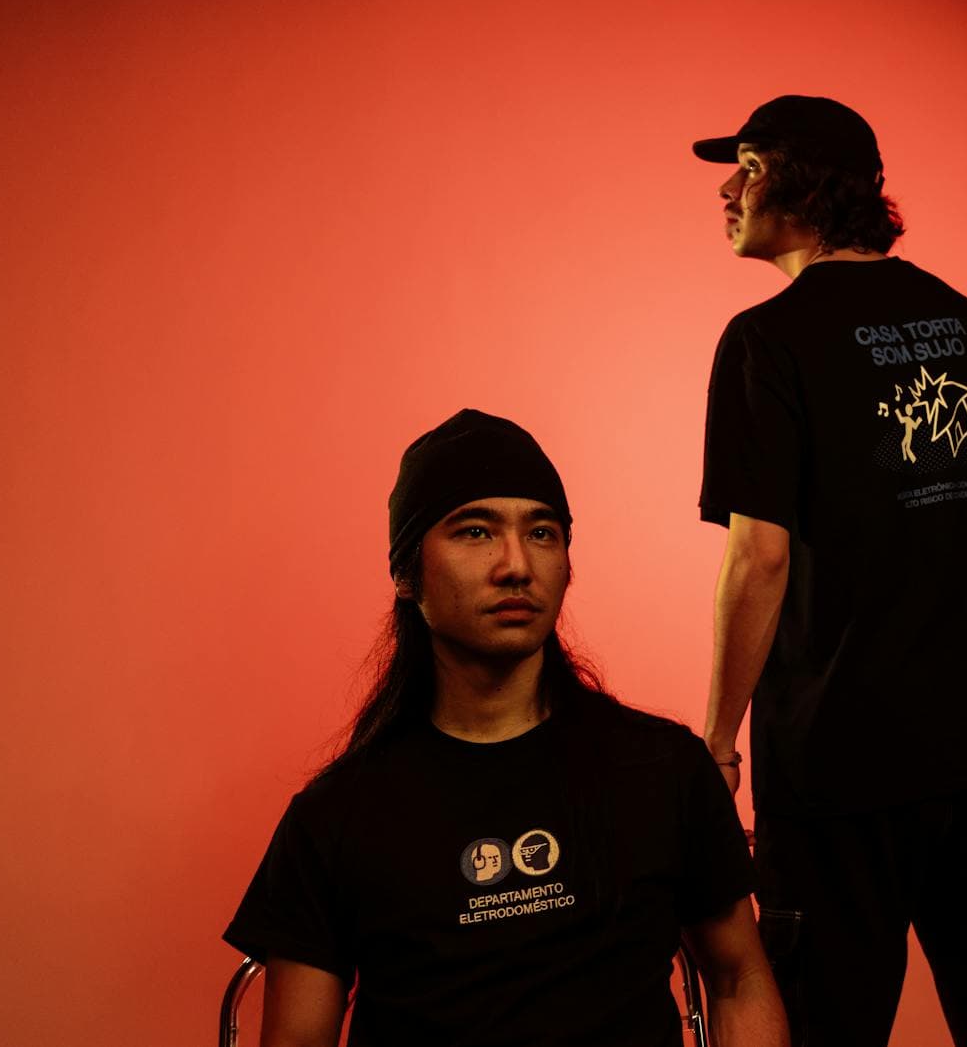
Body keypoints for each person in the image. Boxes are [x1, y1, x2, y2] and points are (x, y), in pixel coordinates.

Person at [225, 409, 788, 1047]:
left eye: (542, 533)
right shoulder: (335, 818)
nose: (516, 564)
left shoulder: (664, 769)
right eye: (475, 532)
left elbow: (740, 979)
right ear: (407, 574)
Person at [692, 96, 967, 1046]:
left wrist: (718, 743)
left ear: (808, 187)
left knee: (825, 1029)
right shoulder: (966, 323)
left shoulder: (766, 341)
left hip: (838, 770)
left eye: (749, 166)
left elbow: (759, 554)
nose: (728, 190)